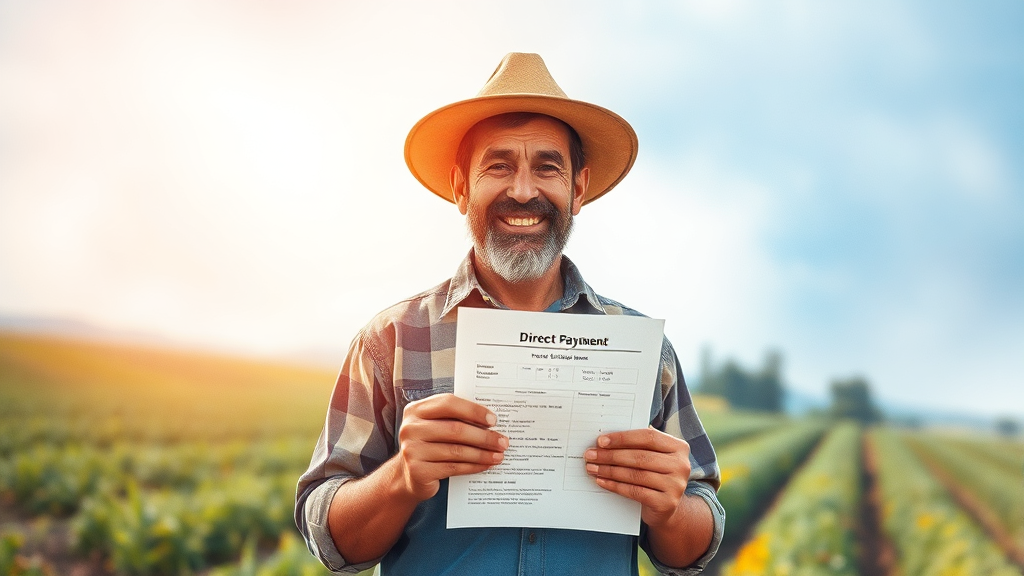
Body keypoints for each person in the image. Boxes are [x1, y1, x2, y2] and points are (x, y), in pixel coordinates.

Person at [295, 52, 724, 576]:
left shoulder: (640, 347)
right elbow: (328, 533)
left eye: (547, 167)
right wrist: (403, 476)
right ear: (460, 187)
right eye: (499, 166)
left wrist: (670, 506)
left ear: (578, 189)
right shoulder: (391, 340)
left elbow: (696, 541)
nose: (523, 191)